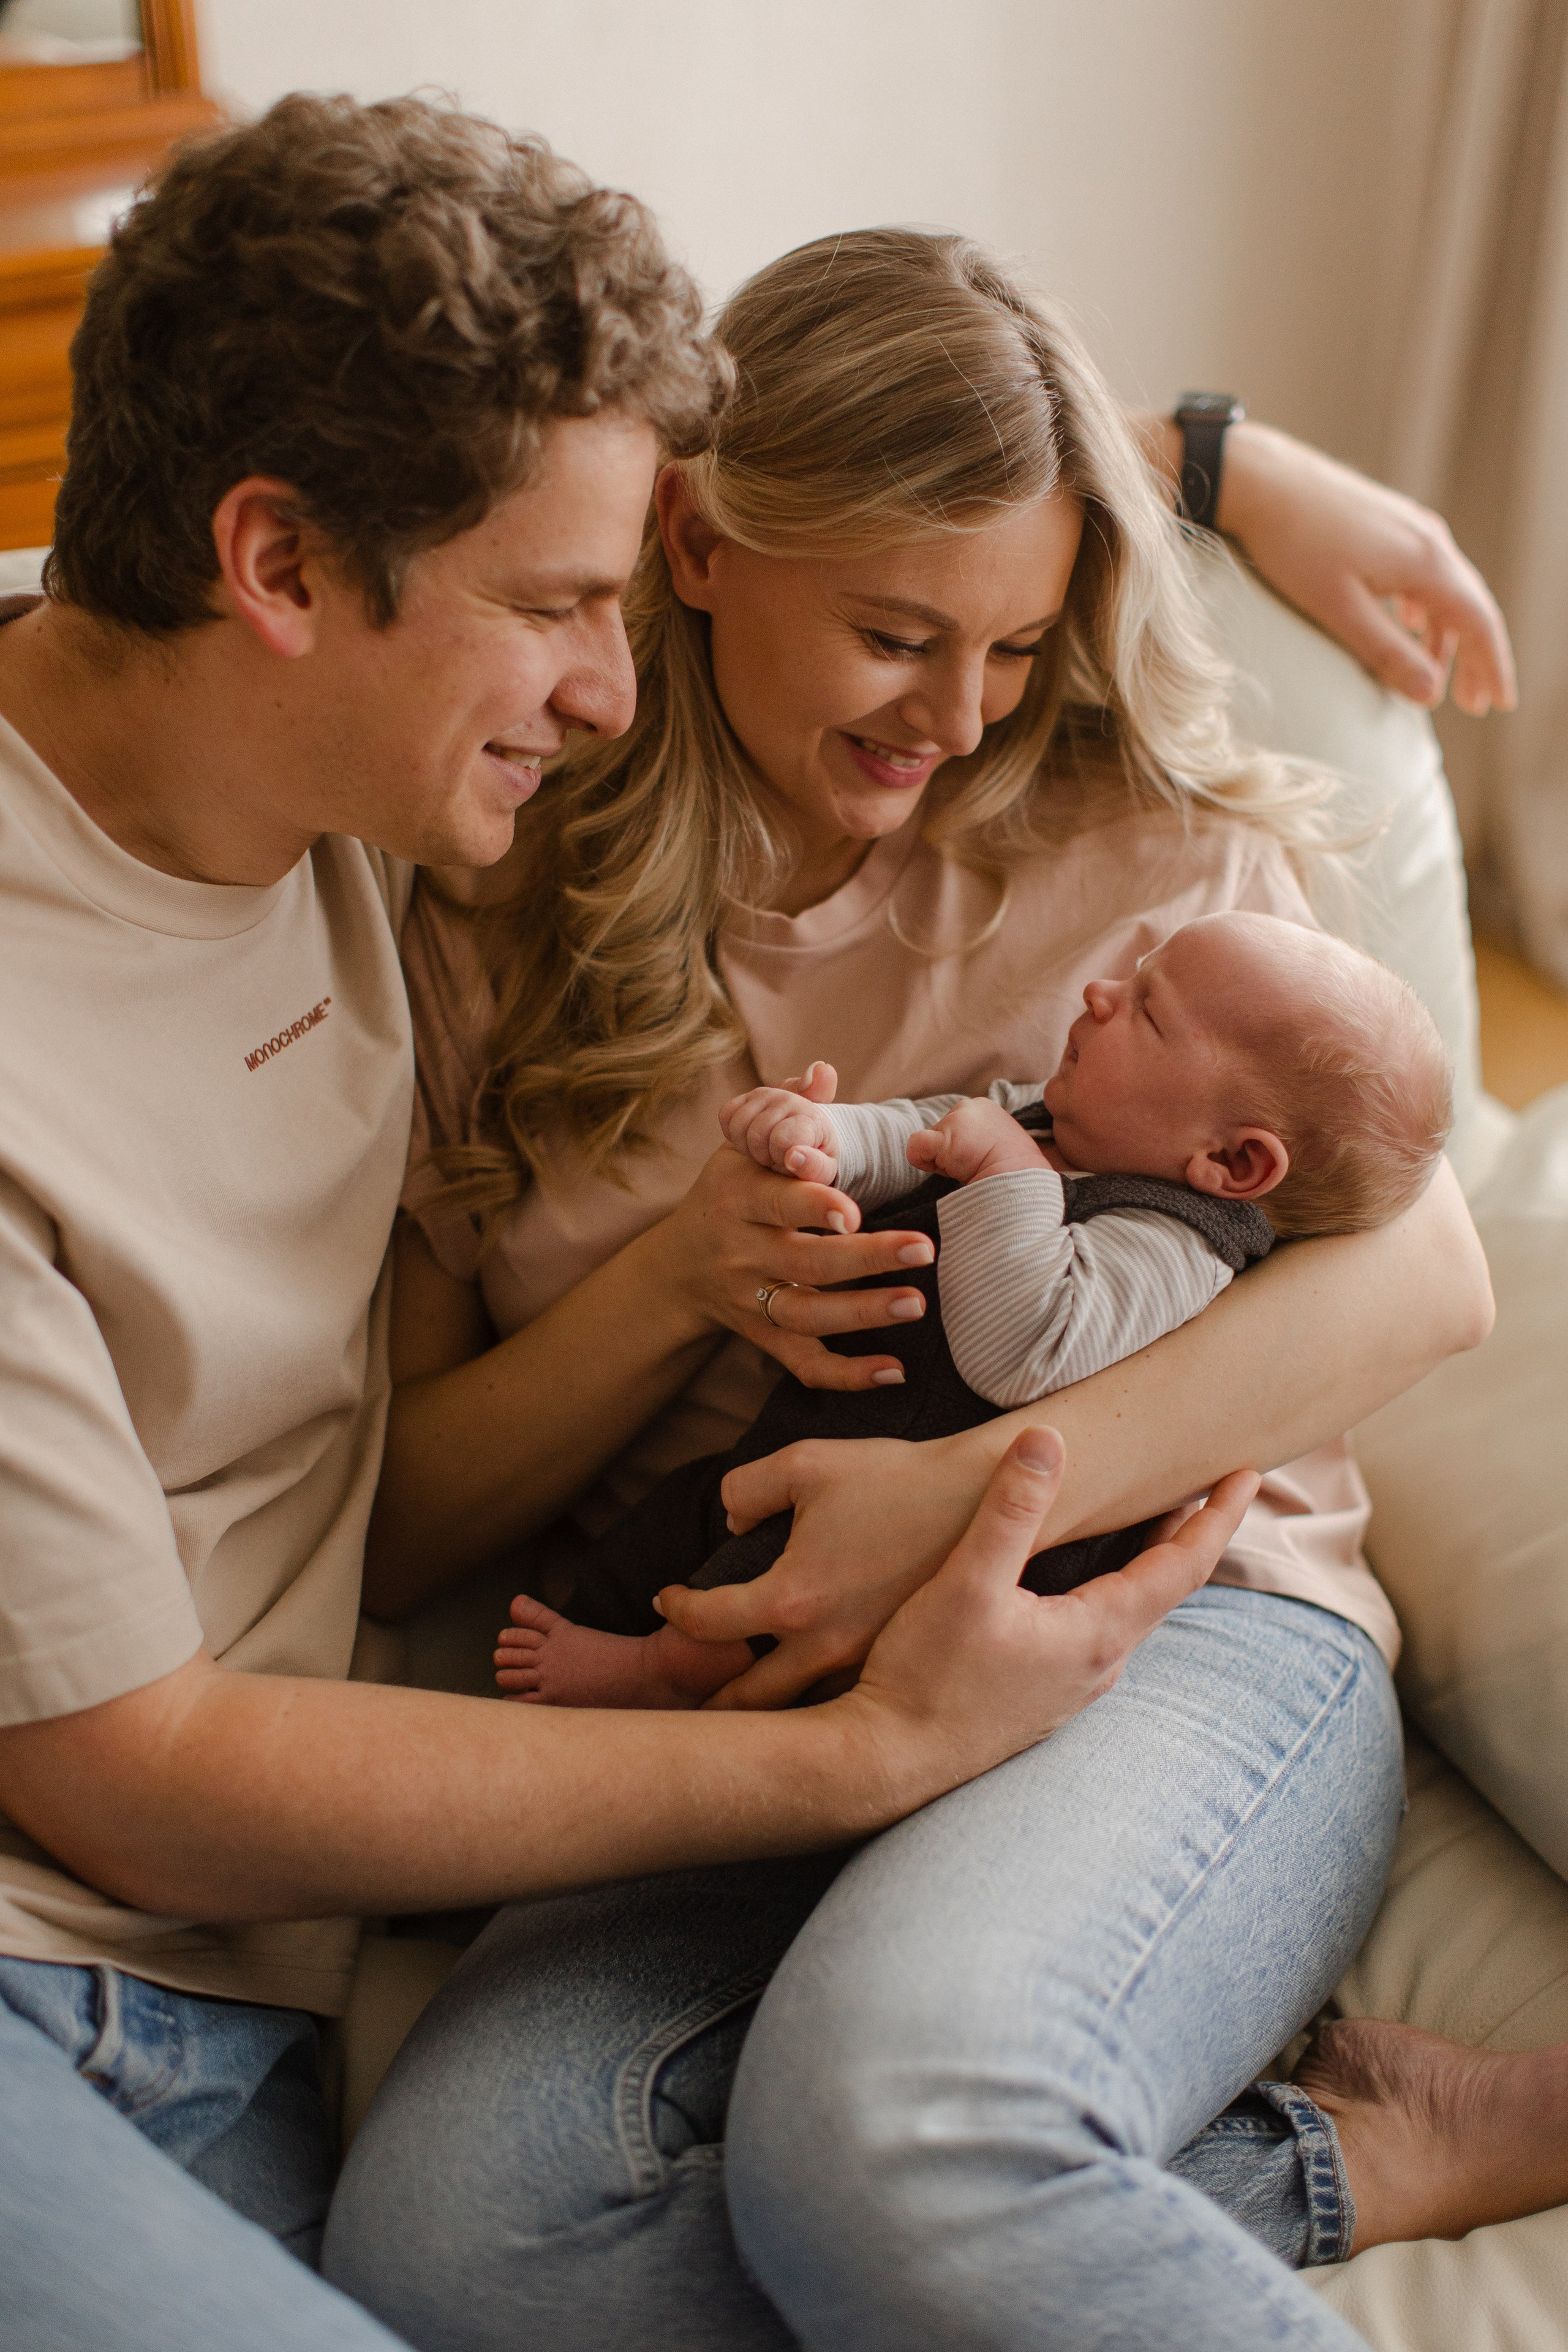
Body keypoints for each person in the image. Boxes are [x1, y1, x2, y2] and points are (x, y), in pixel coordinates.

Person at [0, 96, 1271, 2352]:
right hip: (72, 1940)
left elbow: (860, 470)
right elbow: (145, 1778)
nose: (608, 688)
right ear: (279, 570)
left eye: (614, 590)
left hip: (224, 2009)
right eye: (556, 609)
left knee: (578, 2231)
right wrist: (867, 1752)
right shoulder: (360, 851)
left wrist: (1234, 457)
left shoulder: (351, 780)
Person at [322, 229, 1502, 2350]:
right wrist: (678, 1284)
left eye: (1018, 645)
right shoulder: (486, 886)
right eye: (895, 637)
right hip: (723, 1687)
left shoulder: (1146, 848)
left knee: (885, 2130)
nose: (958, 719)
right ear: (698, 547)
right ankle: (1321, 2158)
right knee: (453, 2253)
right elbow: (406, 1526)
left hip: (1171, 1631)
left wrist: (955, 1506)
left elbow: (1426, 1269)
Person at [495, 912, 1453, 1711]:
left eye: (1148, 1011)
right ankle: (604, 1631)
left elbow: (1023, 1347)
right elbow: (924, 1132)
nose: (1100, 994)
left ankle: (664, 1671)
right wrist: (826, 1138)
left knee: (766, 1577)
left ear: (1233, 1162)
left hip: (943, 1553)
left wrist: (1005, 1167)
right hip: (821, 1441)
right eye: (1131, 978)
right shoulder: (1055, 1121)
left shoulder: (1177, 1247)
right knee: (684, 1515)